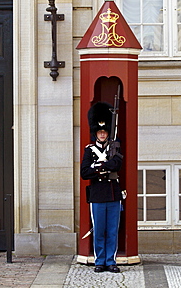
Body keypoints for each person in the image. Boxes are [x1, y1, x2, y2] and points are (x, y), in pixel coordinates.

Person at [80, 101, 123, 273]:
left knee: (112, 230)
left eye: (104, 131)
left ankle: (110, 260)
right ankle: (100, 261)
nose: (102, 134)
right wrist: (102, 167)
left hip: (113, 195)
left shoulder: (114, 147)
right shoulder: (89, 150)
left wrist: (98, 167)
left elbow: (117, 164)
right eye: (99, 131)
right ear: (95, 133)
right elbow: (84, 172)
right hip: (97, 195)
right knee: (99, 230)